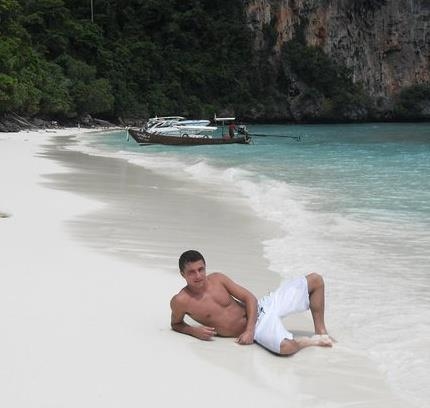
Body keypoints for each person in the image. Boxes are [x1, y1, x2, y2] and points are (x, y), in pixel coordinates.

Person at [170, 250, 334, 355]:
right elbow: (176, 324)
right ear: (182, 274)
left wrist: (249, 331)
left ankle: (321, 332)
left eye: (201, 269)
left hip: (261, 309)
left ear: (205, 267)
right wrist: (193, 331)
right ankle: (308, 342)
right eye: (192, 272)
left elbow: (250, 298)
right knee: (286, 348)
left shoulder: (218, 279)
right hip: (259, 328)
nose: (198, 276)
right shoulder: (180, 301)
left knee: (315, 280)